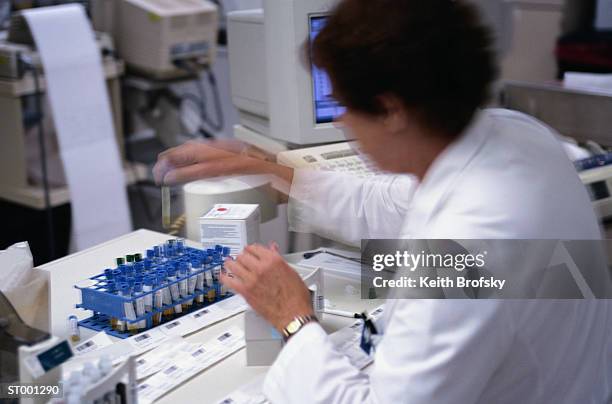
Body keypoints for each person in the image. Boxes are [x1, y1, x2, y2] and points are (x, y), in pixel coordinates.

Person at [154, 0, 612, 402]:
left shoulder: (466, 247)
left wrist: (293, 317)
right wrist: (268, 168)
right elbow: (387, 203)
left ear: (391, 109)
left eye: (344, 108)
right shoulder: (515, 134)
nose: (343, 125)